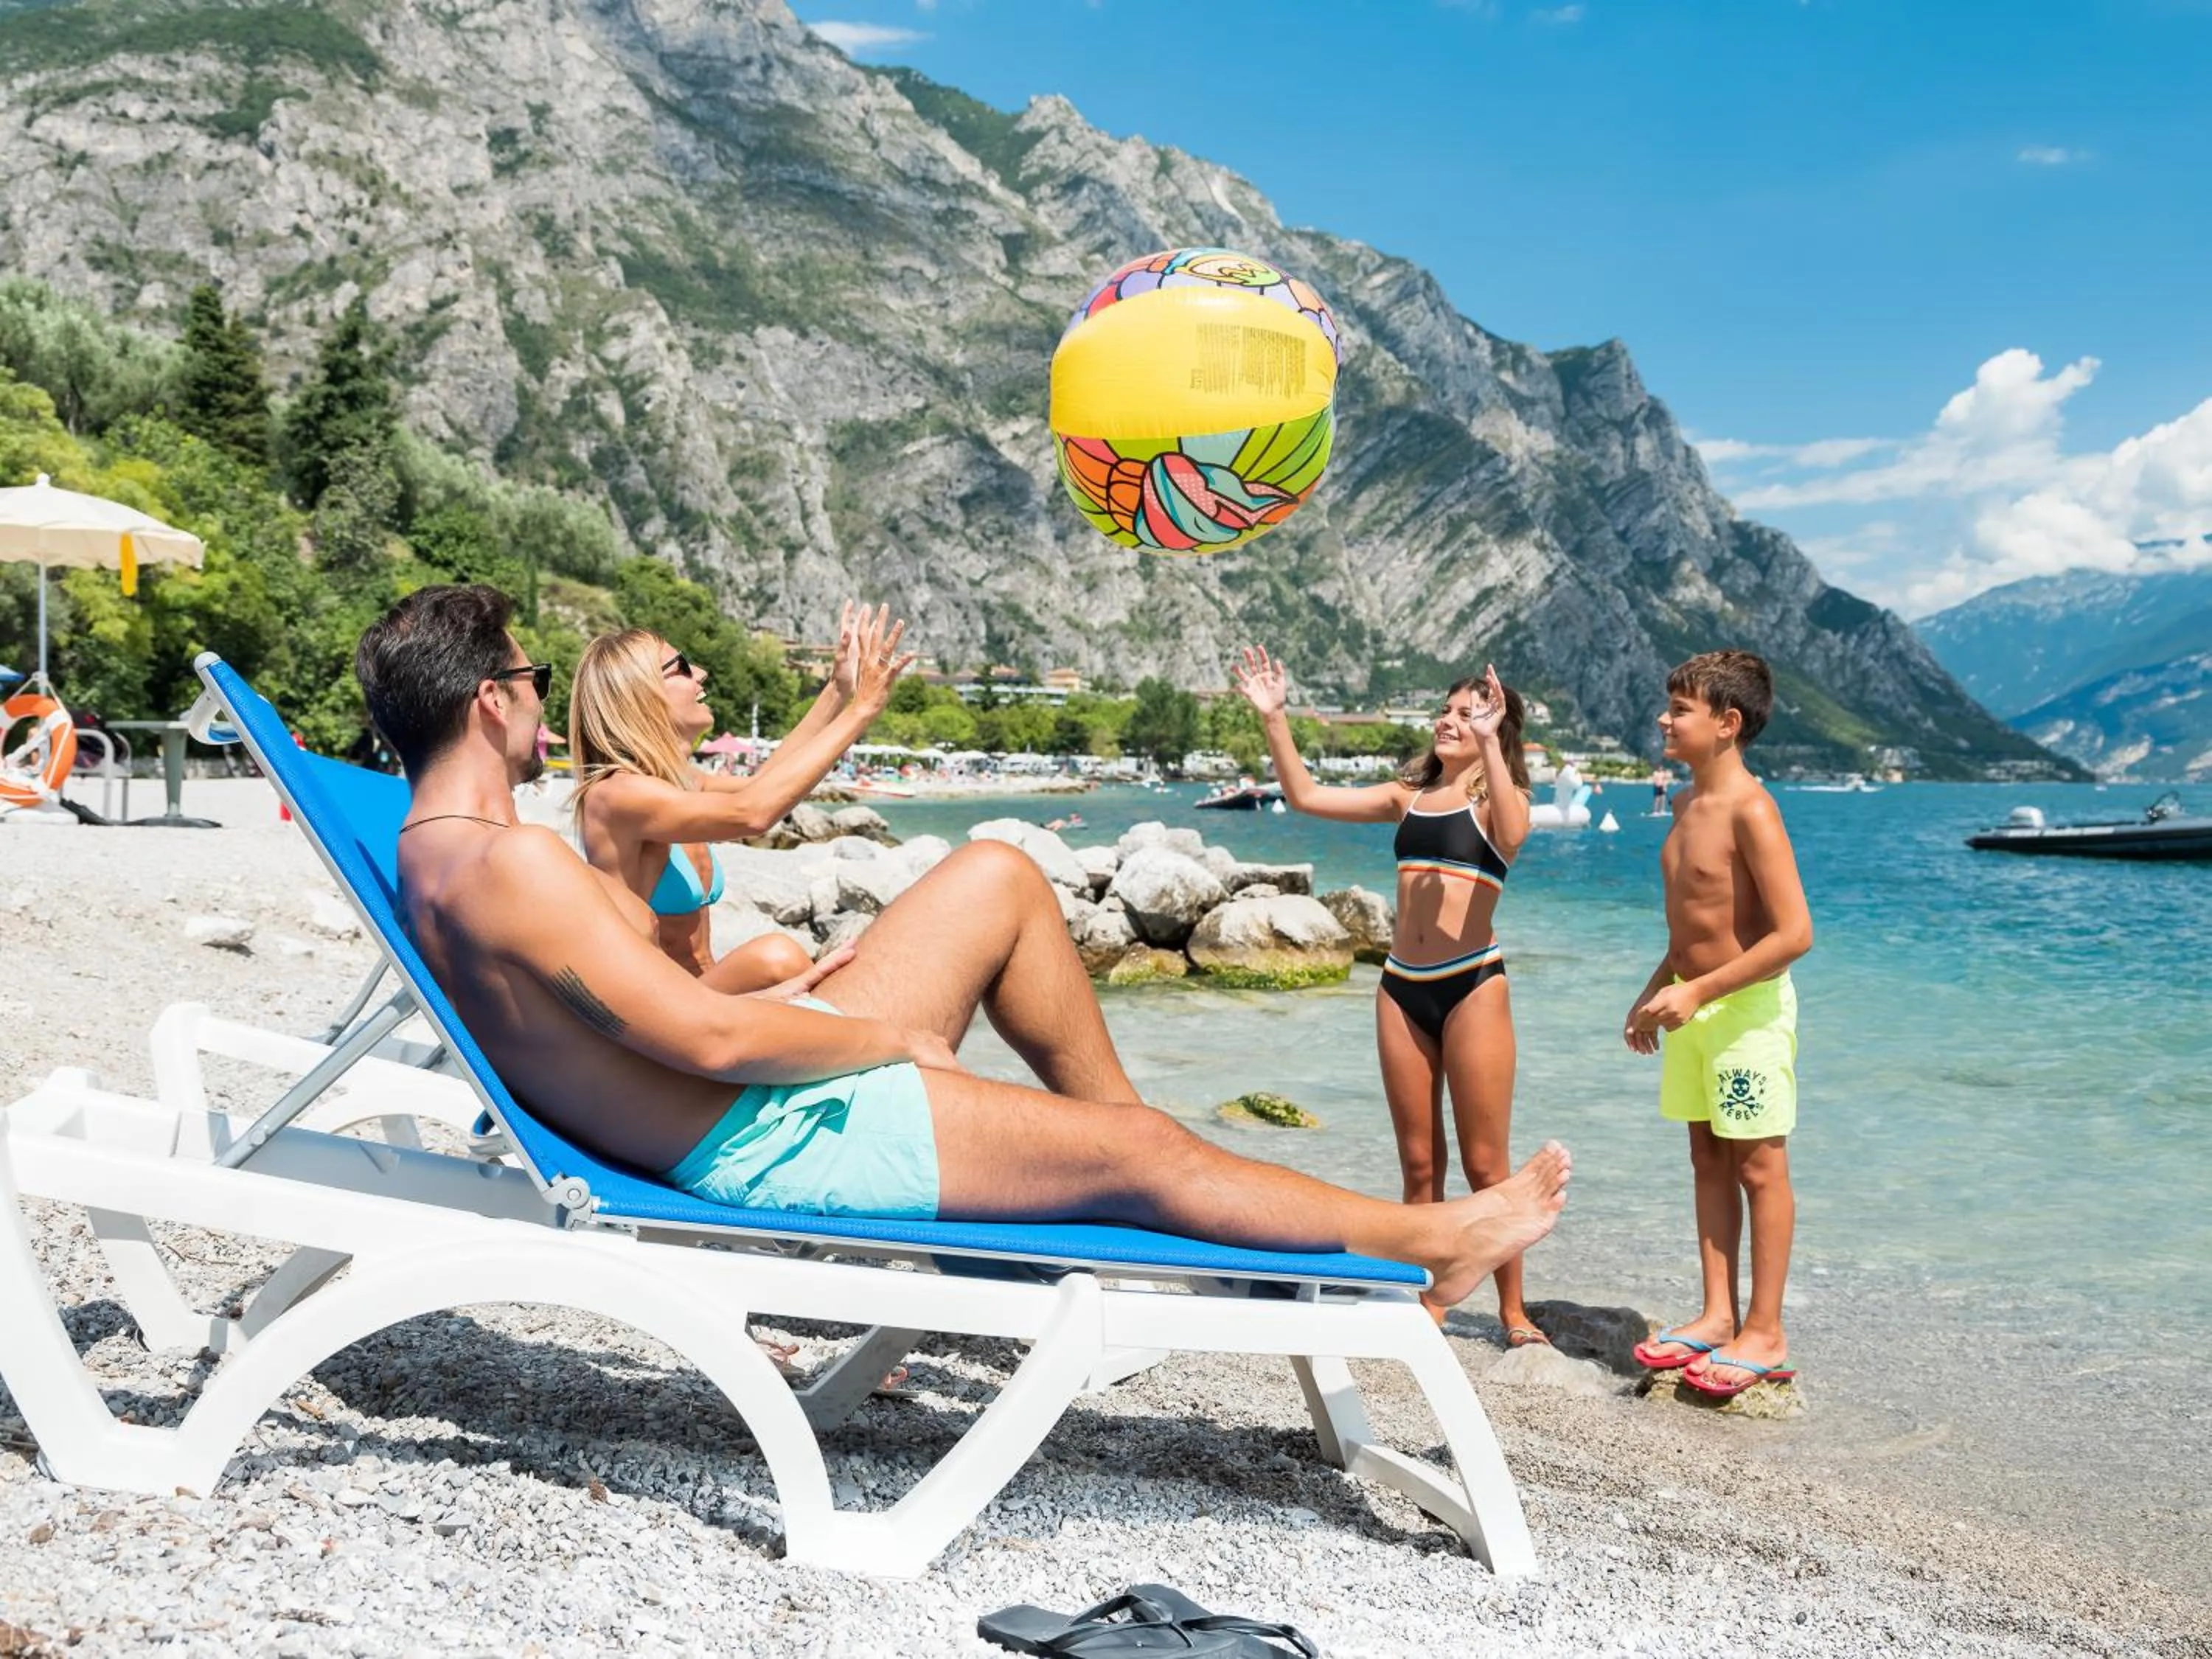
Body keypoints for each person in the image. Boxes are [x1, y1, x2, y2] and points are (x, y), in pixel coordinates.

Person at [353, 585, 1571, 1301]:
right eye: (525, 671)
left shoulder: (436, 853)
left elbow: (663, 1020)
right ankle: (1428, 1242)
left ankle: (1160, 1181)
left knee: (992, 872)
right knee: (1141, 1151)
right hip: (766, 1136)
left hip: (745, 1100)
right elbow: (710, 1033)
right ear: (491, 703)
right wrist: (883, 1043)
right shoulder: (511, 862)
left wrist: (825, 1006)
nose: (537, 690)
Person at [1233, 646, 1547, 1343]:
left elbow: (1516, 838)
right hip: (1401, 988)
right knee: (1418, 1161)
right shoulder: (1407, 797)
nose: (1448, 721)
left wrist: (1492, 741)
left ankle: (1514, 1310)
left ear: (1497, 727)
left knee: (1487, 1163)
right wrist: (1275, 719)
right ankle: (1424, 1293)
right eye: (1447, 710)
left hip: (1472, 987)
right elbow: (1307, 798)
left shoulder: (1502, 802)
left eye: (1469, 715)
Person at [1622, 650, 1814, 1399]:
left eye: (1681, 709)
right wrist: (1652, 994)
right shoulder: (1682, 805)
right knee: (1706, 1158)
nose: (1665, 720)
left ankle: (1765, 1329)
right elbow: (1690, 927)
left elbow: (1794, 933)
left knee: (1759, 1167)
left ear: (1728, 724)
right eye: (1668, 706)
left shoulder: (1752, 809)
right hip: (1692, 1007)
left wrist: (1697, 992)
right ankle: (1715, 1312)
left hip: (1743, 1016)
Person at [567, 604, 911, 995]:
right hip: (665, 1014)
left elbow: (763, 786)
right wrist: (863, 710)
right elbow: (754, 813)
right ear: (639, 693)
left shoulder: (682, 782)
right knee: (777, 957)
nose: (701, 674)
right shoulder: (616, 795)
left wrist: (839, 690)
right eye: (681, 667)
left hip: (708, 996)